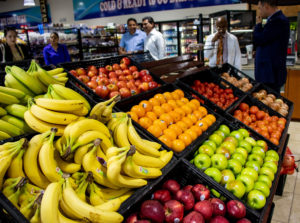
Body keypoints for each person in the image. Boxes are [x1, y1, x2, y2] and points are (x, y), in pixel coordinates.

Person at [254, 0, 290, 94]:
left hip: (270, 75)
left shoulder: (278, 21)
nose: (259, 11)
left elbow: (259, 39)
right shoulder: (272, 20)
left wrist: (258, 25)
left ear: (266, 6)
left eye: (259, 8)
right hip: (268, 74)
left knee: (270, 103)